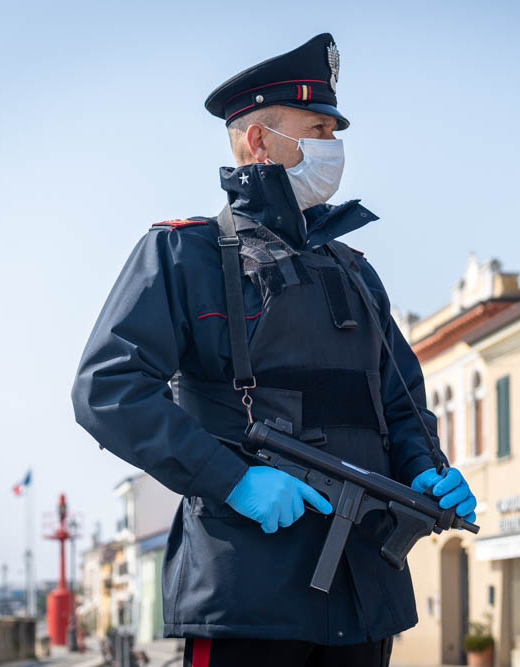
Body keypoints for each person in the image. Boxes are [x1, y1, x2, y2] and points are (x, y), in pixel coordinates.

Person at [71, 33, 477, 667]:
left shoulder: (354, 270)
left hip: (364, 591)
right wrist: (233, 481)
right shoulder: (185, 256)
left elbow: (399, 400)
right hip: (247, 593)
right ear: (259, 142)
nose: (332, 146)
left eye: (333, 131)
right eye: (316, 129)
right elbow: (109, 390)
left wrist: (426, 469)